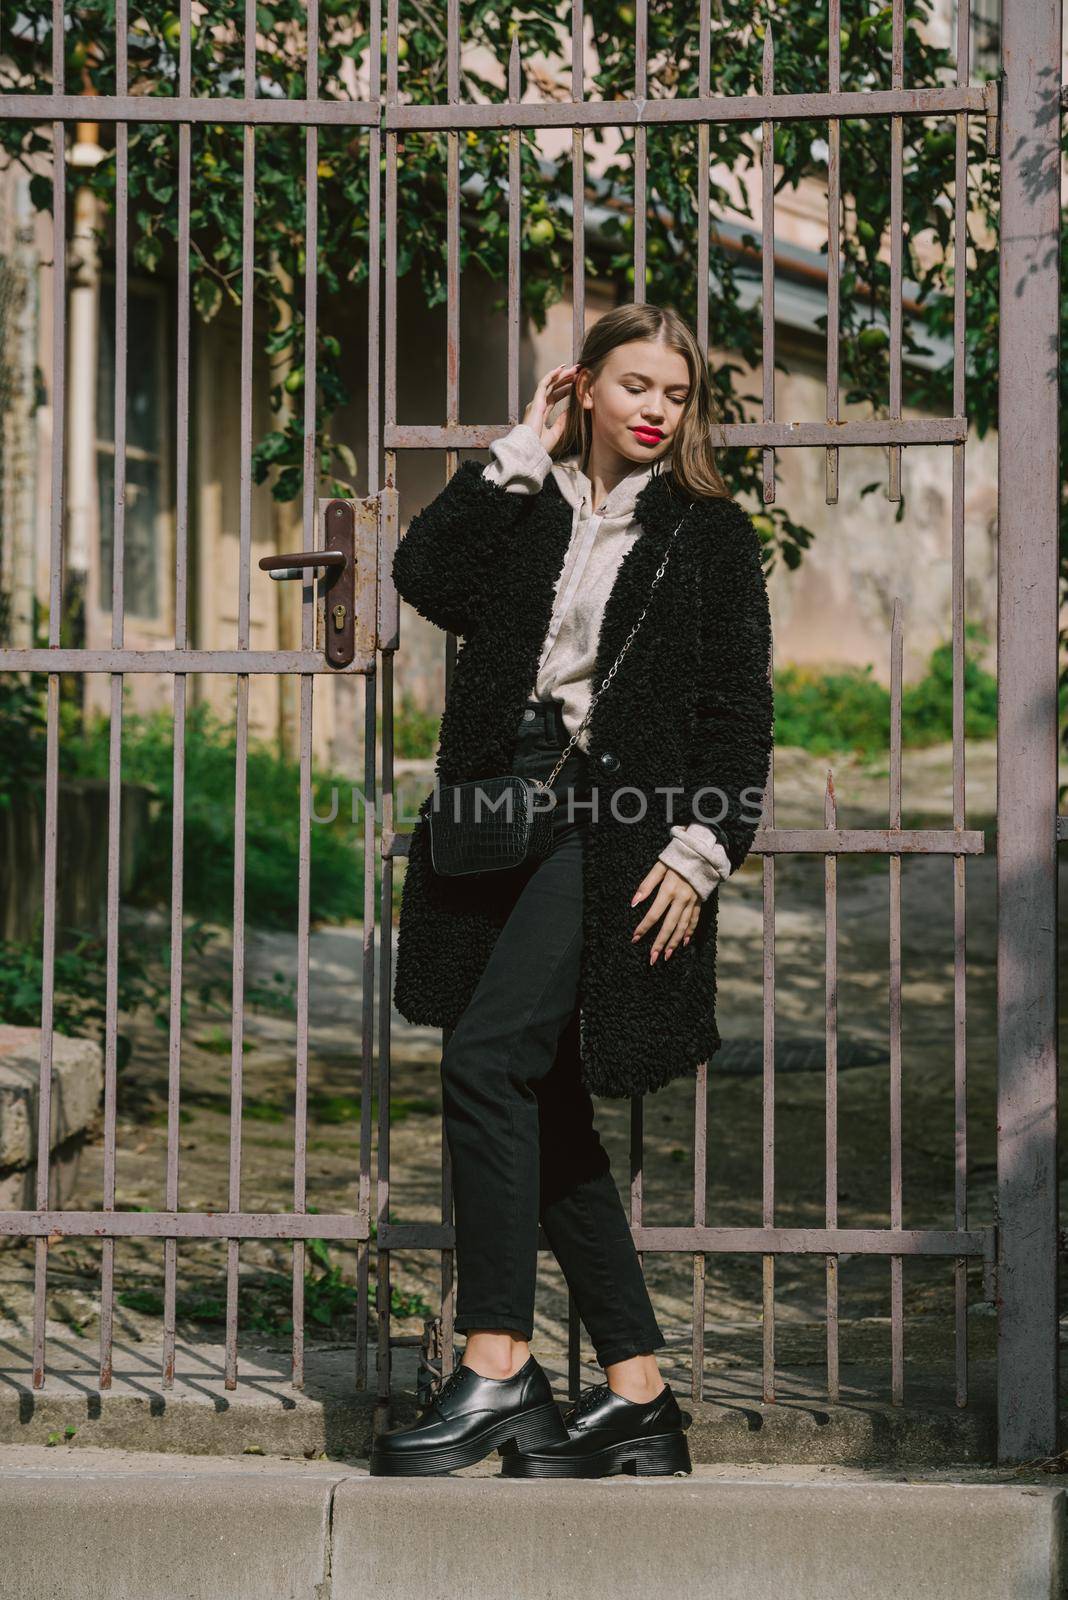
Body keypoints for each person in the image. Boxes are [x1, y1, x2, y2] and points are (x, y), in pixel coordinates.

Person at [371, 303, 774, 1478]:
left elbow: (738, 718)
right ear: (585, 386)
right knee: (539, 1103)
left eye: (677, 393)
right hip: (503, 821)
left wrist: (700, 853)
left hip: (616, 841)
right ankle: (639, 1393)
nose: (657, 409)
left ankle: (495, 1363)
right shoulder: (531, 506)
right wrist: (516, 449)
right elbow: (423, 572)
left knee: (488, 1061)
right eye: (635, 385)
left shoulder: (707, 537)